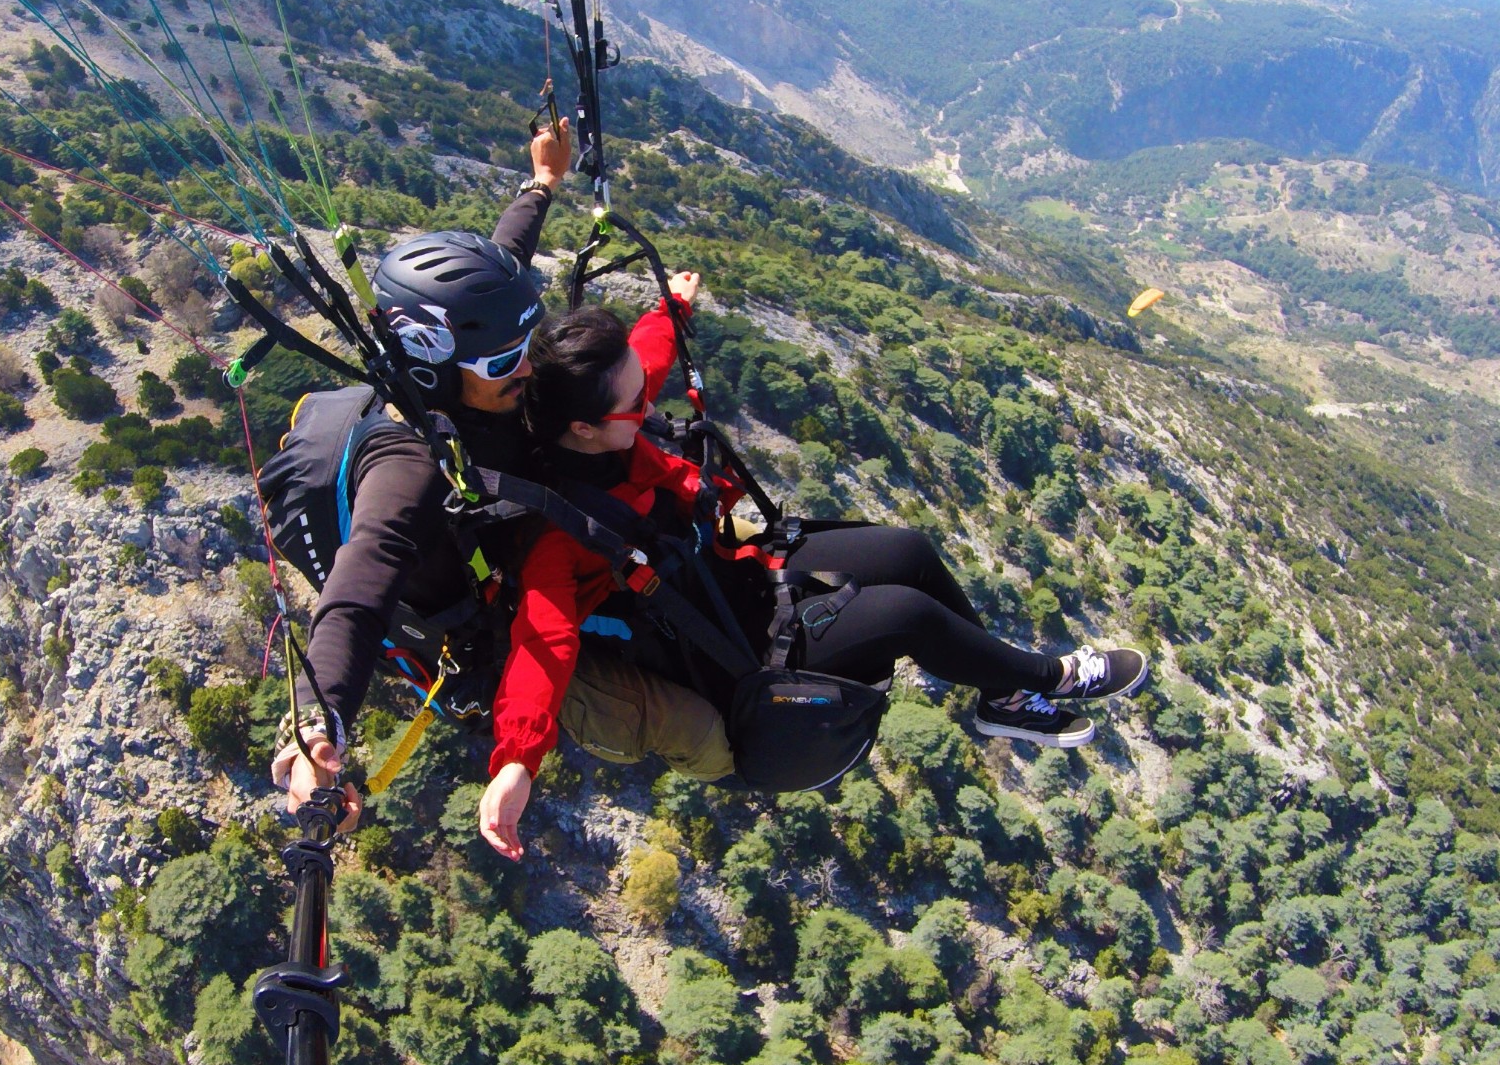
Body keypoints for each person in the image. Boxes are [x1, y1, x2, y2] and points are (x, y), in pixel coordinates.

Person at [477, 295, 1148, 860]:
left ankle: (1002, 701)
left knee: (909, 548)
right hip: (732, 654)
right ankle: (1048, 678)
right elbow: (544, 643)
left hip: (741, 579)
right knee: (906, 616)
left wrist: (671, 304)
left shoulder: (606, 414)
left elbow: (644, 362)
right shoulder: (559, 537)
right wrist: (517, 761)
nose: (645, 399)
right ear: (586, 429)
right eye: (633, 403)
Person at [272, 122, 730, 826]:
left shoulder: (487, 357)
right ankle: (735, 754)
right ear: (438, 369)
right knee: (697, 728)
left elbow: (502, 259)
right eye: (502, 362)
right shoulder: (410, 471)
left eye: (526, 344)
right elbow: (360, 590)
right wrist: (319, 728)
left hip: (566, 536)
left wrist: (541, 182)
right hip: (519, 618)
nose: (526, 366)